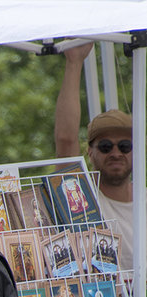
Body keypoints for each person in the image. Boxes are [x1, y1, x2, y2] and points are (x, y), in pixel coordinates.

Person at [54, 42, 135, 271]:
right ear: (90, 152)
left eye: (125, 146)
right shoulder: (84, 199)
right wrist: (74, 62)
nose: (116, 153)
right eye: (106, 146)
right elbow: (65, 140)